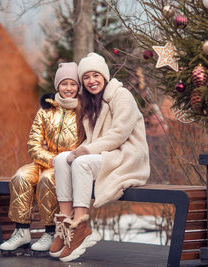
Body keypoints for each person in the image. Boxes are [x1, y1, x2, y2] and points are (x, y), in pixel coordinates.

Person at [49, 52, 150, 262]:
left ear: (104, 76)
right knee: (61, 159)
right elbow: (93, 139)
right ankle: (65, 223)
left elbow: (118, 135)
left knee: (82, 162)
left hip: (126, 155)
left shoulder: (121, 96)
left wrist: (84, 152)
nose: (91, 81)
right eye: (86, 77)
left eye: (96, 75)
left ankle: (81, 226)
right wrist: (77, 151)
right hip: (105, 154)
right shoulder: (91, 102)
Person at [0, 62, 84, 255]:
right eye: (64, 84)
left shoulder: (83, 111)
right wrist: (52, 159)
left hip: (68, 164)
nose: (68, 88)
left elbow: (86, 143)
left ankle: (50, 232)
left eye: (73, 84)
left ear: (78, 87)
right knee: (20, 176)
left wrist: (63, 161)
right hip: (44, 162)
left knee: (48, 180)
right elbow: (33, 144)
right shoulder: (46, 111)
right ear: (57, 86)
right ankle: (21, 231)